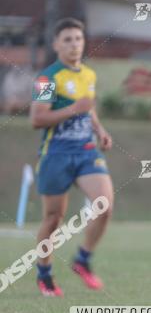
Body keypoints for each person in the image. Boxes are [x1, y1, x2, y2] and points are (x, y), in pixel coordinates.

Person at [29, 17, 114, 296]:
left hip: (85, 151)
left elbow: (88, 109)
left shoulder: (88, 74)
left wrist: (100, 130)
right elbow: (37, 118)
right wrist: (73, 109)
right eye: (67, 39)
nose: (74, 44)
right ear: (56, 44)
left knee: (104, 204)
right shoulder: (47, 78)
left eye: (78, 39)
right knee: (54, 219)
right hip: (55, 154)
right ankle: (44, 273)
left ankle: (82, 260)